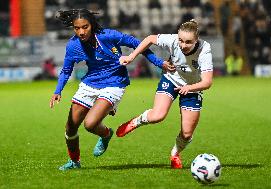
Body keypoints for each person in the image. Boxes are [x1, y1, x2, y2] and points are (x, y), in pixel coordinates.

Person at [49, 9, 174, 171]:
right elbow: (66, 70)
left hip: (114, 83)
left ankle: (106, 134)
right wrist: (58, 91)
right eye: (77, 28)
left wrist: (159, 63)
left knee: (90, 124)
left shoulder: (108, 35)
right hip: (90, 83)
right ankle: (74, 162)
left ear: (92, 25)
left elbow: (139, 45)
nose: (81, 32)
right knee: (70, 127)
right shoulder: (73, 45)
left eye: (85, 27)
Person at [116, 19, 213, 169]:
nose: (183, 45)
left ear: (196, 40)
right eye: (180, 40)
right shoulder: (172, 40)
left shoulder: (204, 50)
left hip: (193, 87)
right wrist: (131, 57)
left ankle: (175, 153)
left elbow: (207, 82)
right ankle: (136, 121)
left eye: (188, 42)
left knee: (187, 134)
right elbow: (149, 39)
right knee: (157, 116)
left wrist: (190, 88)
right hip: (171, 79)